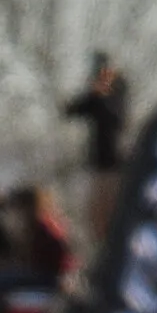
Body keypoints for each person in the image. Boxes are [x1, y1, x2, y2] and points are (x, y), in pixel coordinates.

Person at [64, 53, 130, 258]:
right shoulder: (96, 97)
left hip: (114, 167)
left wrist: (102, 95)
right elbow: (71, 110)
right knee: (93, 219)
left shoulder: (118, 94)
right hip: (98, 166)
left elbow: (117, 119)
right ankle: (99, 255)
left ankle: (112, 255)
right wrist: (93, 94)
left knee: (111, 217)